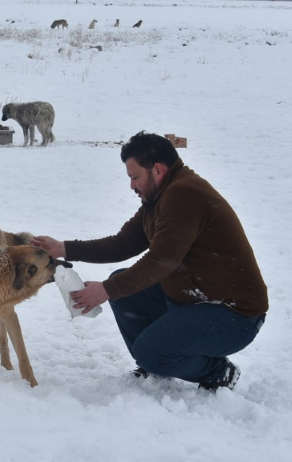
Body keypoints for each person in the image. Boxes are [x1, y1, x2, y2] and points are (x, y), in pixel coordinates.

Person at [33, 131, 267, 392]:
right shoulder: (159, 197)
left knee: (139, 330)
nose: (132, 186)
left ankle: (219, 372)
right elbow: (123, 243)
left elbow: (161, 261)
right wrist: (62, 248)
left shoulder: (185, 195)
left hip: (233, 315)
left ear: (157, 169)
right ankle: (155, 363)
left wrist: (105, 291)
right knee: (122, 289)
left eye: (135, 177)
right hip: (194, 299)